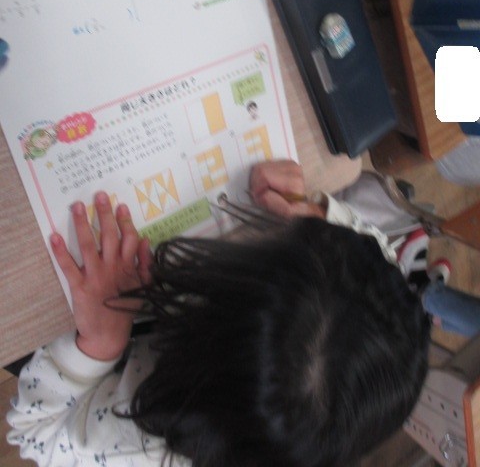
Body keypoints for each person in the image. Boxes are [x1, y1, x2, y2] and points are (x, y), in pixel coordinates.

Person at [7, 160, 430, 467]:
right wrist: (317, 213)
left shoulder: (142, 446)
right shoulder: (377, 324)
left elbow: (35, 433)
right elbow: (381, 253)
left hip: (86, 357)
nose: (261, 233)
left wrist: (99, 347)